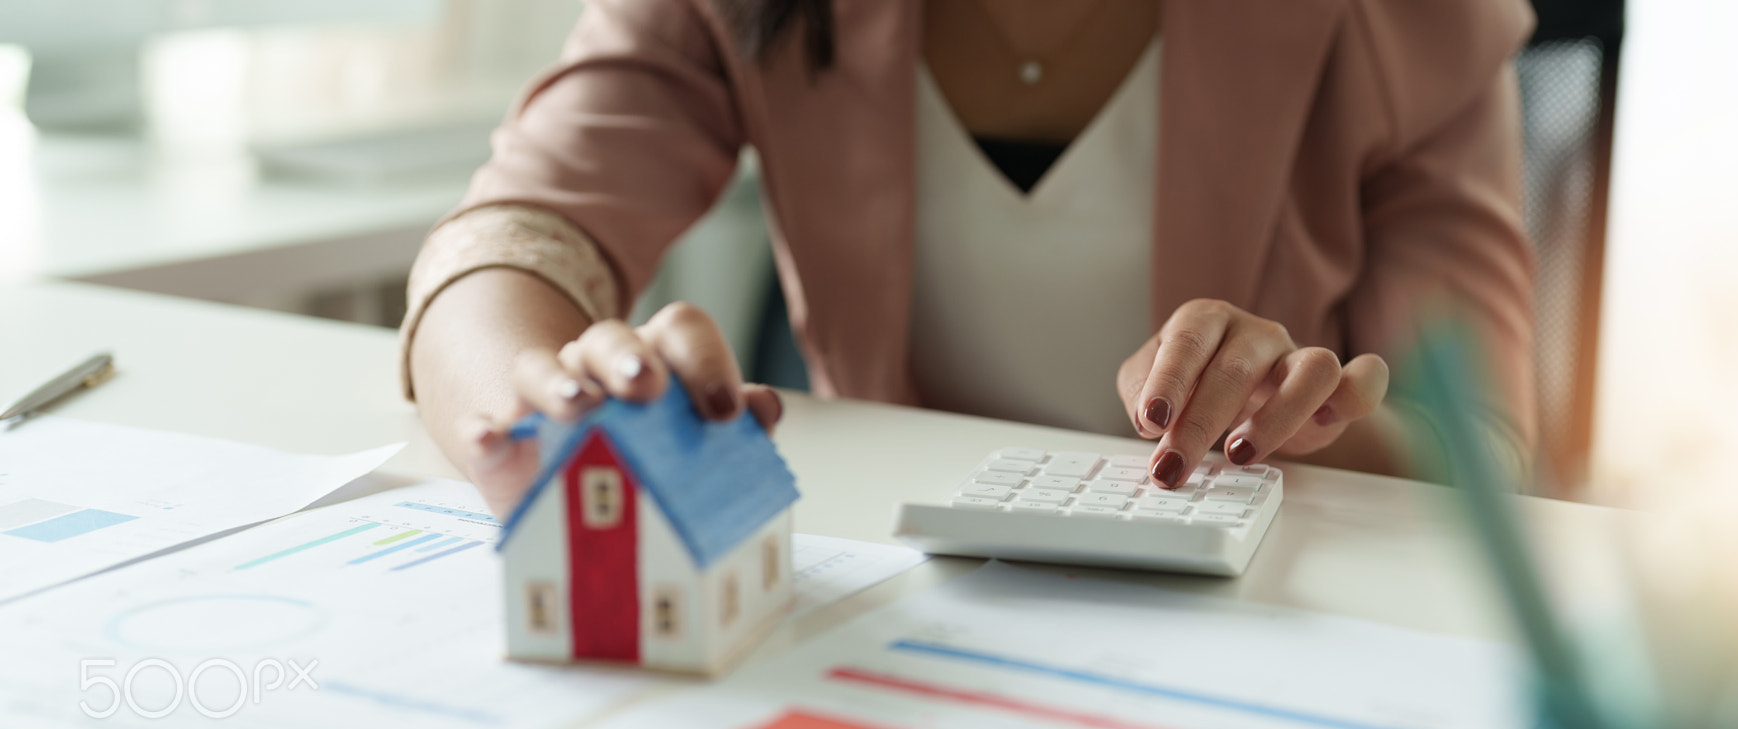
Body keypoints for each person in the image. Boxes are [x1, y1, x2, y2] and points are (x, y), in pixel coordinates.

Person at [401, 0, 1539, 515]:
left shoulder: (1410, 18)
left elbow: (1490, 450)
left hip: (1267, 623)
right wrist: (544, 402)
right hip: (911, 603)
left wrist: (1316, 421)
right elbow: (512, 236)